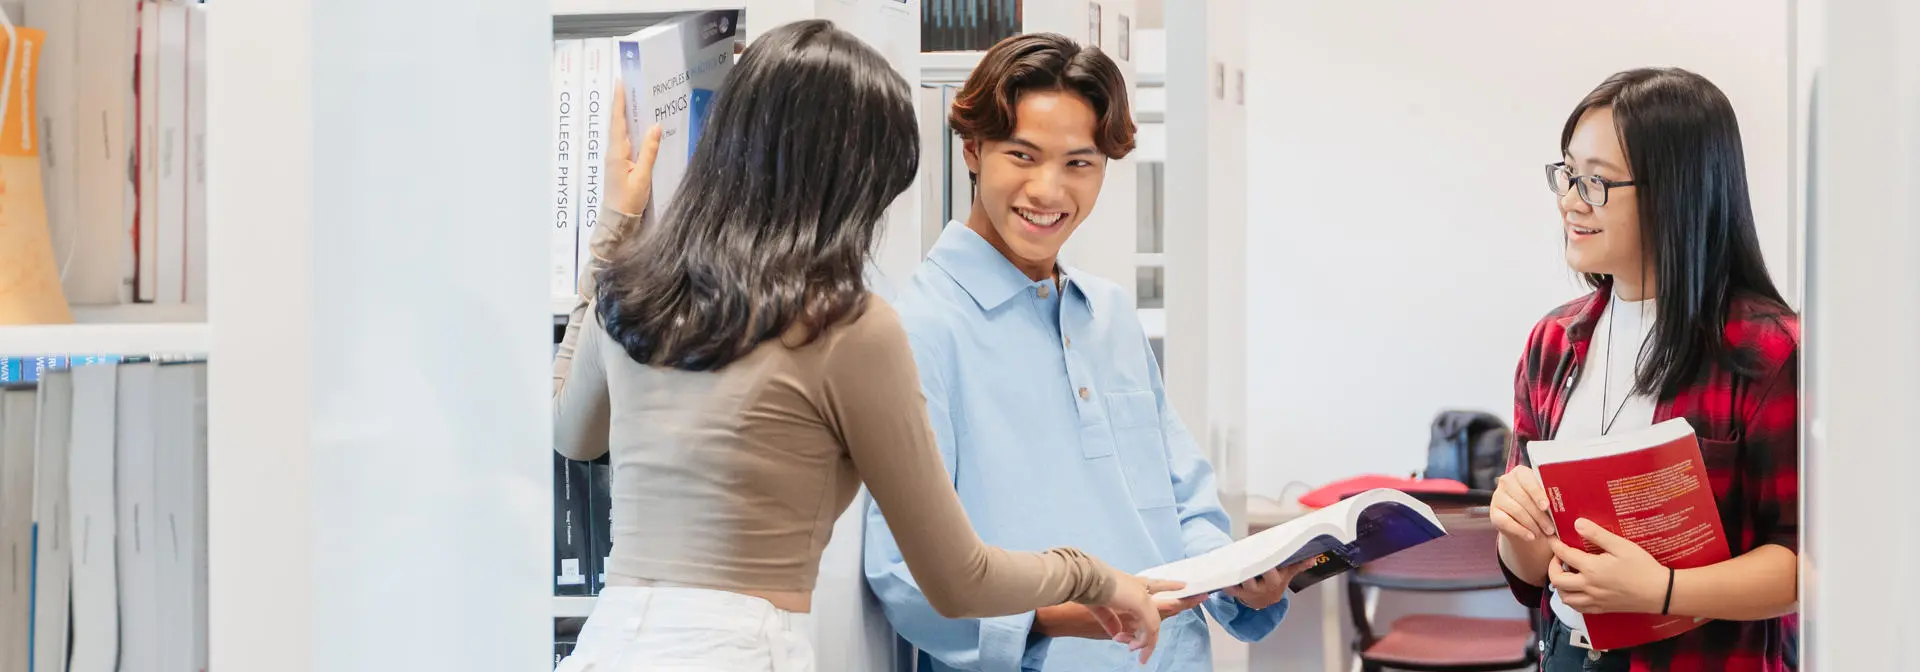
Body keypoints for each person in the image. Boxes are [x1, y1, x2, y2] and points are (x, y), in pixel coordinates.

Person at [551, 20, 1179, 671]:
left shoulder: (633, 287)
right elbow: (958, 579)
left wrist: (614, 232)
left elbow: (570, 433)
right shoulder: (847, 326)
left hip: (605, 646)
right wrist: (1093, 575)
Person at [862, 33, 1311, 672]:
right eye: (1022, 155)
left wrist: (1237, 574)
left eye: (1080, 163)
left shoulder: (1110, 315)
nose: (1049, 191)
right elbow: (902, 576)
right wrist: (1078, 617)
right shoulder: (918, 330)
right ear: (972, 149)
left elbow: (1185, 502)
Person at [1492, 67, 1799, 672]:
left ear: (1676, 191)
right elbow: (1530, 574)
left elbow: (1805, 561)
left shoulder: (1767, 350)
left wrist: (1661, 592)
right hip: (1566, 656)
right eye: (1568, 174)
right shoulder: (1552, 342)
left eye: (1597, 183)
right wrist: (1517, 526)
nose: (1570, 201)